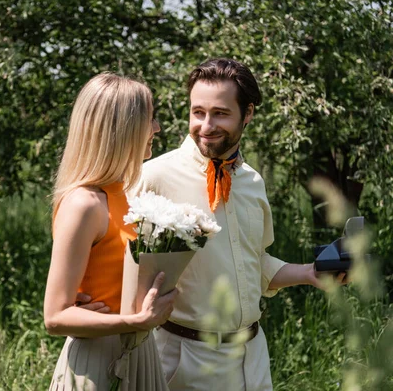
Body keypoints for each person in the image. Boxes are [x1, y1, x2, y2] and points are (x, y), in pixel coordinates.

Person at [130, 58, 350, 390]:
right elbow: (120, 264)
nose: (206, 126)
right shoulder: (155, 176)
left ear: (247, 114)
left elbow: (253, 261)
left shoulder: (252, 181)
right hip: (185, 361)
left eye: (220, 113)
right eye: (198, 112)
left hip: (253, 356)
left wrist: (308, 273)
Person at [44, 72, 177, 391]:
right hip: (98, 363)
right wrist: (134, 321)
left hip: (140, 353)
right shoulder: (84, 204)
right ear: (122, 129)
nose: (157, 128)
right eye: (150, 119)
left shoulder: (126, 196)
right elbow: (55, 316)